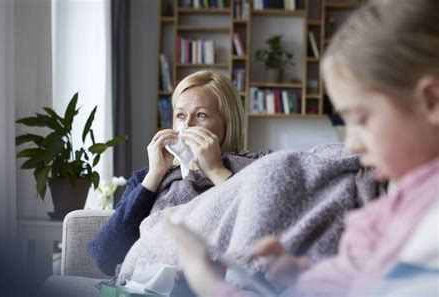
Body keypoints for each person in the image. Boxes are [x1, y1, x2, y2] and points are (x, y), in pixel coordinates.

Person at [167, 0, 439, 296]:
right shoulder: (404, 198)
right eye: (181, 115)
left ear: (432, 101)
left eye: (360, 119)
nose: (351, 144)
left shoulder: (430, 219)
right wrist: (302, 275)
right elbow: (362, 278)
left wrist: (209, 286)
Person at [88, 70, 267, 276]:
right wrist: (154, 176)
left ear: (228, 123)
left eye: (201, 115)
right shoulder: (146, 179)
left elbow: (264, 234)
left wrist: (216, 170)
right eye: (181, 115)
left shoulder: (255, 169)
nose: (187, 125)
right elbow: (105, 257)